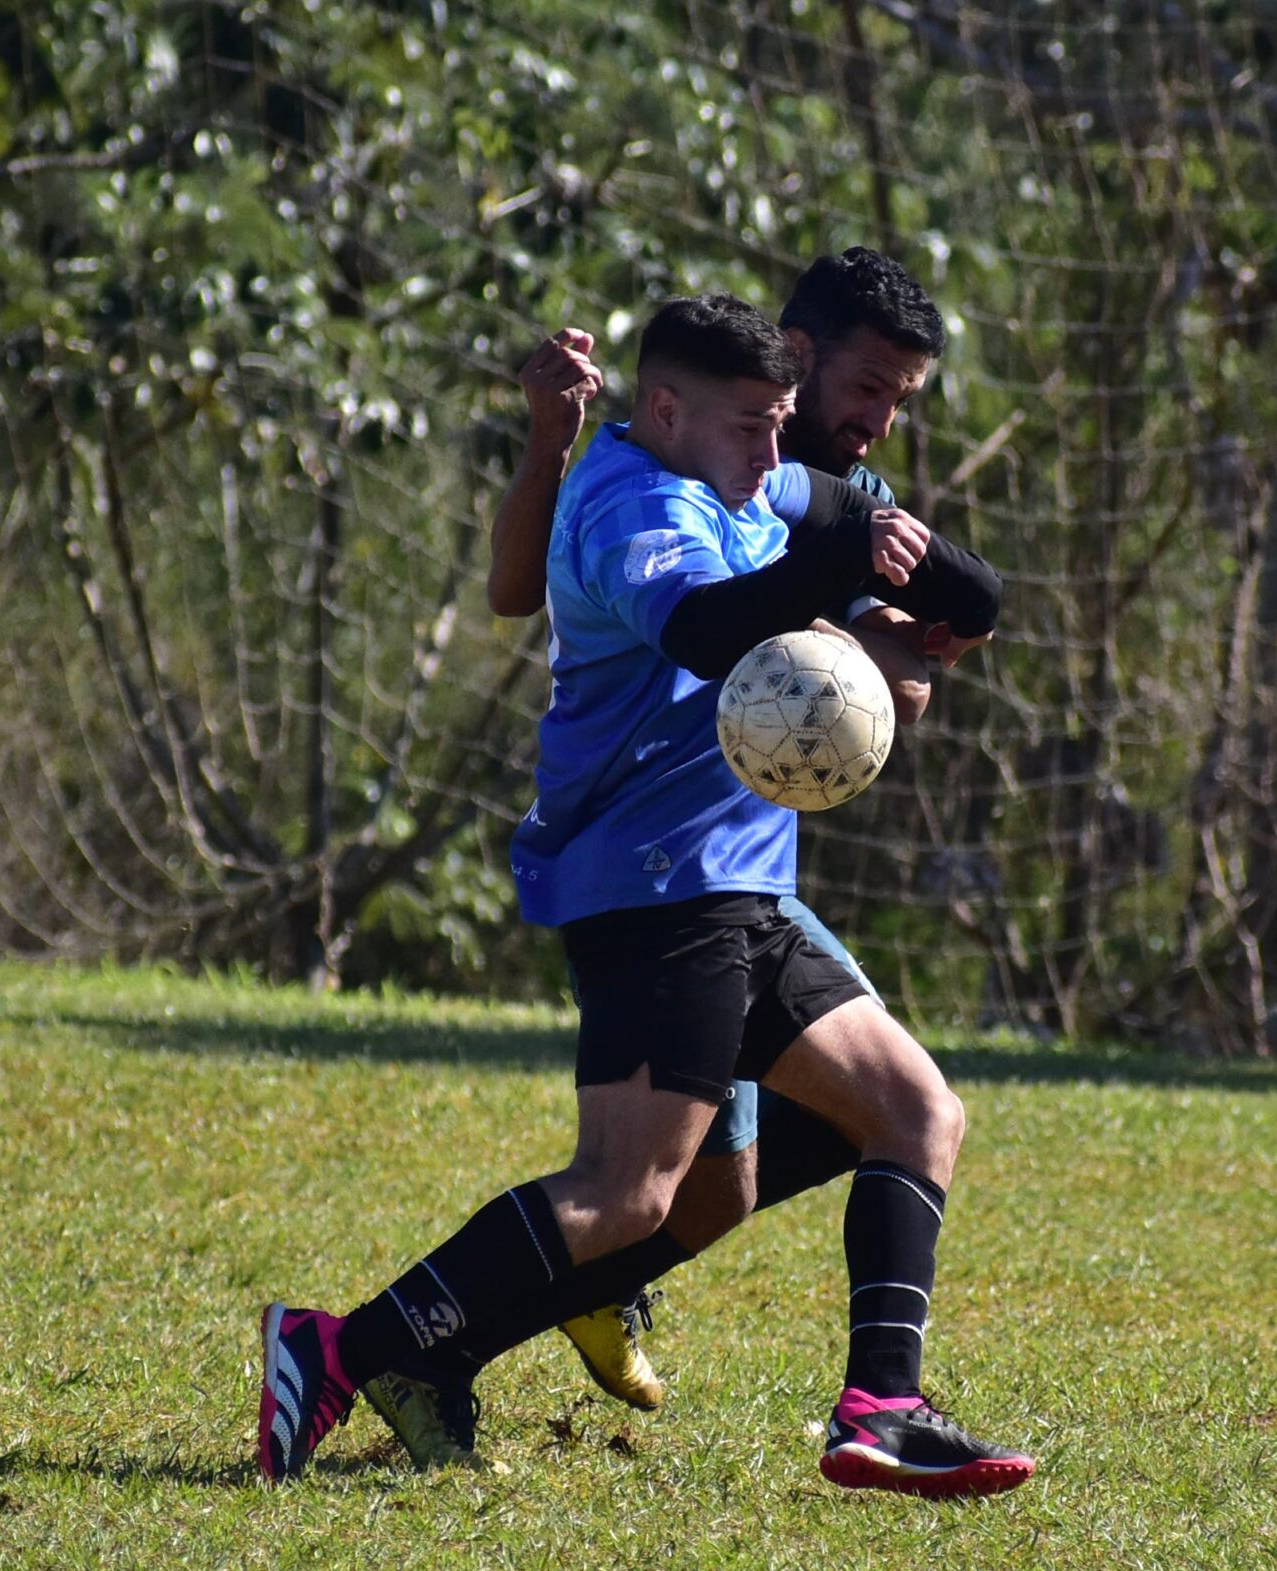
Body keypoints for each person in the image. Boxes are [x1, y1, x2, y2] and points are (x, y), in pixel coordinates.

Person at [258, 292, 1031, 1499]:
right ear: (665, 409)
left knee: (909, 1113)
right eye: (755, 426)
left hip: (741, 889)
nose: (778, 454)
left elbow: (948, 581)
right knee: (627, 1194)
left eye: (781, 425)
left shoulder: (751, 478)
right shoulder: (635, 505)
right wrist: (836, 569)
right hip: (656, 887)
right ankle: (341, 1349)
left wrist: (928, 581)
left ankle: (882, 1407)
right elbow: (708, 630)